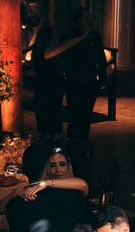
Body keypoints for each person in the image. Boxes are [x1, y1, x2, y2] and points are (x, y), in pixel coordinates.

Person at [48, 7, 106, 141]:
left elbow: (101, 58)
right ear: (78, 21)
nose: (89, 19)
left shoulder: (95, 36)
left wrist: (101, 79)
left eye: (89, 16)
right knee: (73, 113)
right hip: (73, 81)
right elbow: (61, 57)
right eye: (86, 17)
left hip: (90, 81)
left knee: (86, 114)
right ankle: (72, 143)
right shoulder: (70, 36)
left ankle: (83, 143)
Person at [28, 9, 66, 139]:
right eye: (54, 35)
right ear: (47, 39)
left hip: (52, 92)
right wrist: (81, 37)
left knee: (51, 125)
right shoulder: (45, 53)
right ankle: (46, 152)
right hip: (46, 93)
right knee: (47, 126)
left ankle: (49, 146)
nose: (57, 37)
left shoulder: (47, 52)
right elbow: (64, 47)